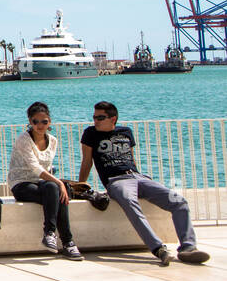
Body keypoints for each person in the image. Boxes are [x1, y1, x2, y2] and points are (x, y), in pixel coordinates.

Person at [80, 102, 210, 265]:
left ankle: (188, 248)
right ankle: (158, 248)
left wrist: (138, 178)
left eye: (100, 117)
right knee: (130, 203)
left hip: (138, 177)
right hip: (116, 181)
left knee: (178, 201)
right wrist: (81, 186)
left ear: (113, 119)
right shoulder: (90, 134)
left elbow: (131, 159)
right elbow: (87, 162)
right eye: (94, 117)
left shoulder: (126, 132)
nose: (95, 121)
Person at [9, 102, 82, 259]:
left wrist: (59, 185)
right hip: (22, 184)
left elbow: (46, 170)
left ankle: (52, 235)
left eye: (44, 121)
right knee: (56, 189)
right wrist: (60, 183)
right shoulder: (24, 140)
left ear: (49, 122)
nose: (40, 125)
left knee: (55, 190)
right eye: (35, 121)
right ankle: (67, 241)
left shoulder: (53, 141)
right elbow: (35, 168)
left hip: (42, 184)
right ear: (30, 122)